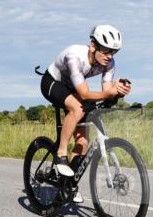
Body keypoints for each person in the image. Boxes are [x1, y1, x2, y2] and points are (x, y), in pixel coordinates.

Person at [40, 25, 131, 201]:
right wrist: (109, 92)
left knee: (82, 141)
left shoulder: (109, 63)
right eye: (106, 51)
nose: (109, 56)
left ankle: (68, 183)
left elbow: (106, 91)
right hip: (52, 83)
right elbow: (84, 94)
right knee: (77, 108)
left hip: (73, 87)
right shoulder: (75, 56)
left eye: (113, 52)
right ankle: (60, 155)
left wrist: (118, 91)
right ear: (92, 45)